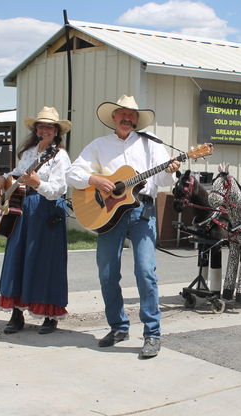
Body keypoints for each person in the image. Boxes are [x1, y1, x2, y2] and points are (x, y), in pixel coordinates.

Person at [65, 95, 180, 358]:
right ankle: (118, 327)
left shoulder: (152, 145)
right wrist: (95, 179)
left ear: (137, 120)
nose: (127, 119)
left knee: (145, 271)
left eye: (132, 115)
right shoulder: (98, 146)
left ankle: (152, 333)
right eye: (122, 114)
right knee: (107, 274)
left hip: (142, 213)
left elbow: (162, 179)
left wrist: (171, 169)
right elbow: (71, 174)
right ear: (114, 118)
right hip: (107, 215)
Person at [0, 106, 72, 335]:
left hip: (47, 211)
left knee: (45, 261)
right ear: (36, 129)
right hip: (22, 210)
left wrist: (38, 184)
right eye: (41, 125)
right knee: (17, 257)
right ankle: (17, 314)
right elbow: (16, 174)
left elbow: (59, 189)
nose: (44, 129)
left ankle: (49, 314)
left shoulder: (60, 156)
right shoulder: (29, 152)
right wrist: (0, 179)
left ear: (57, 131)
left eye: (49, 126)